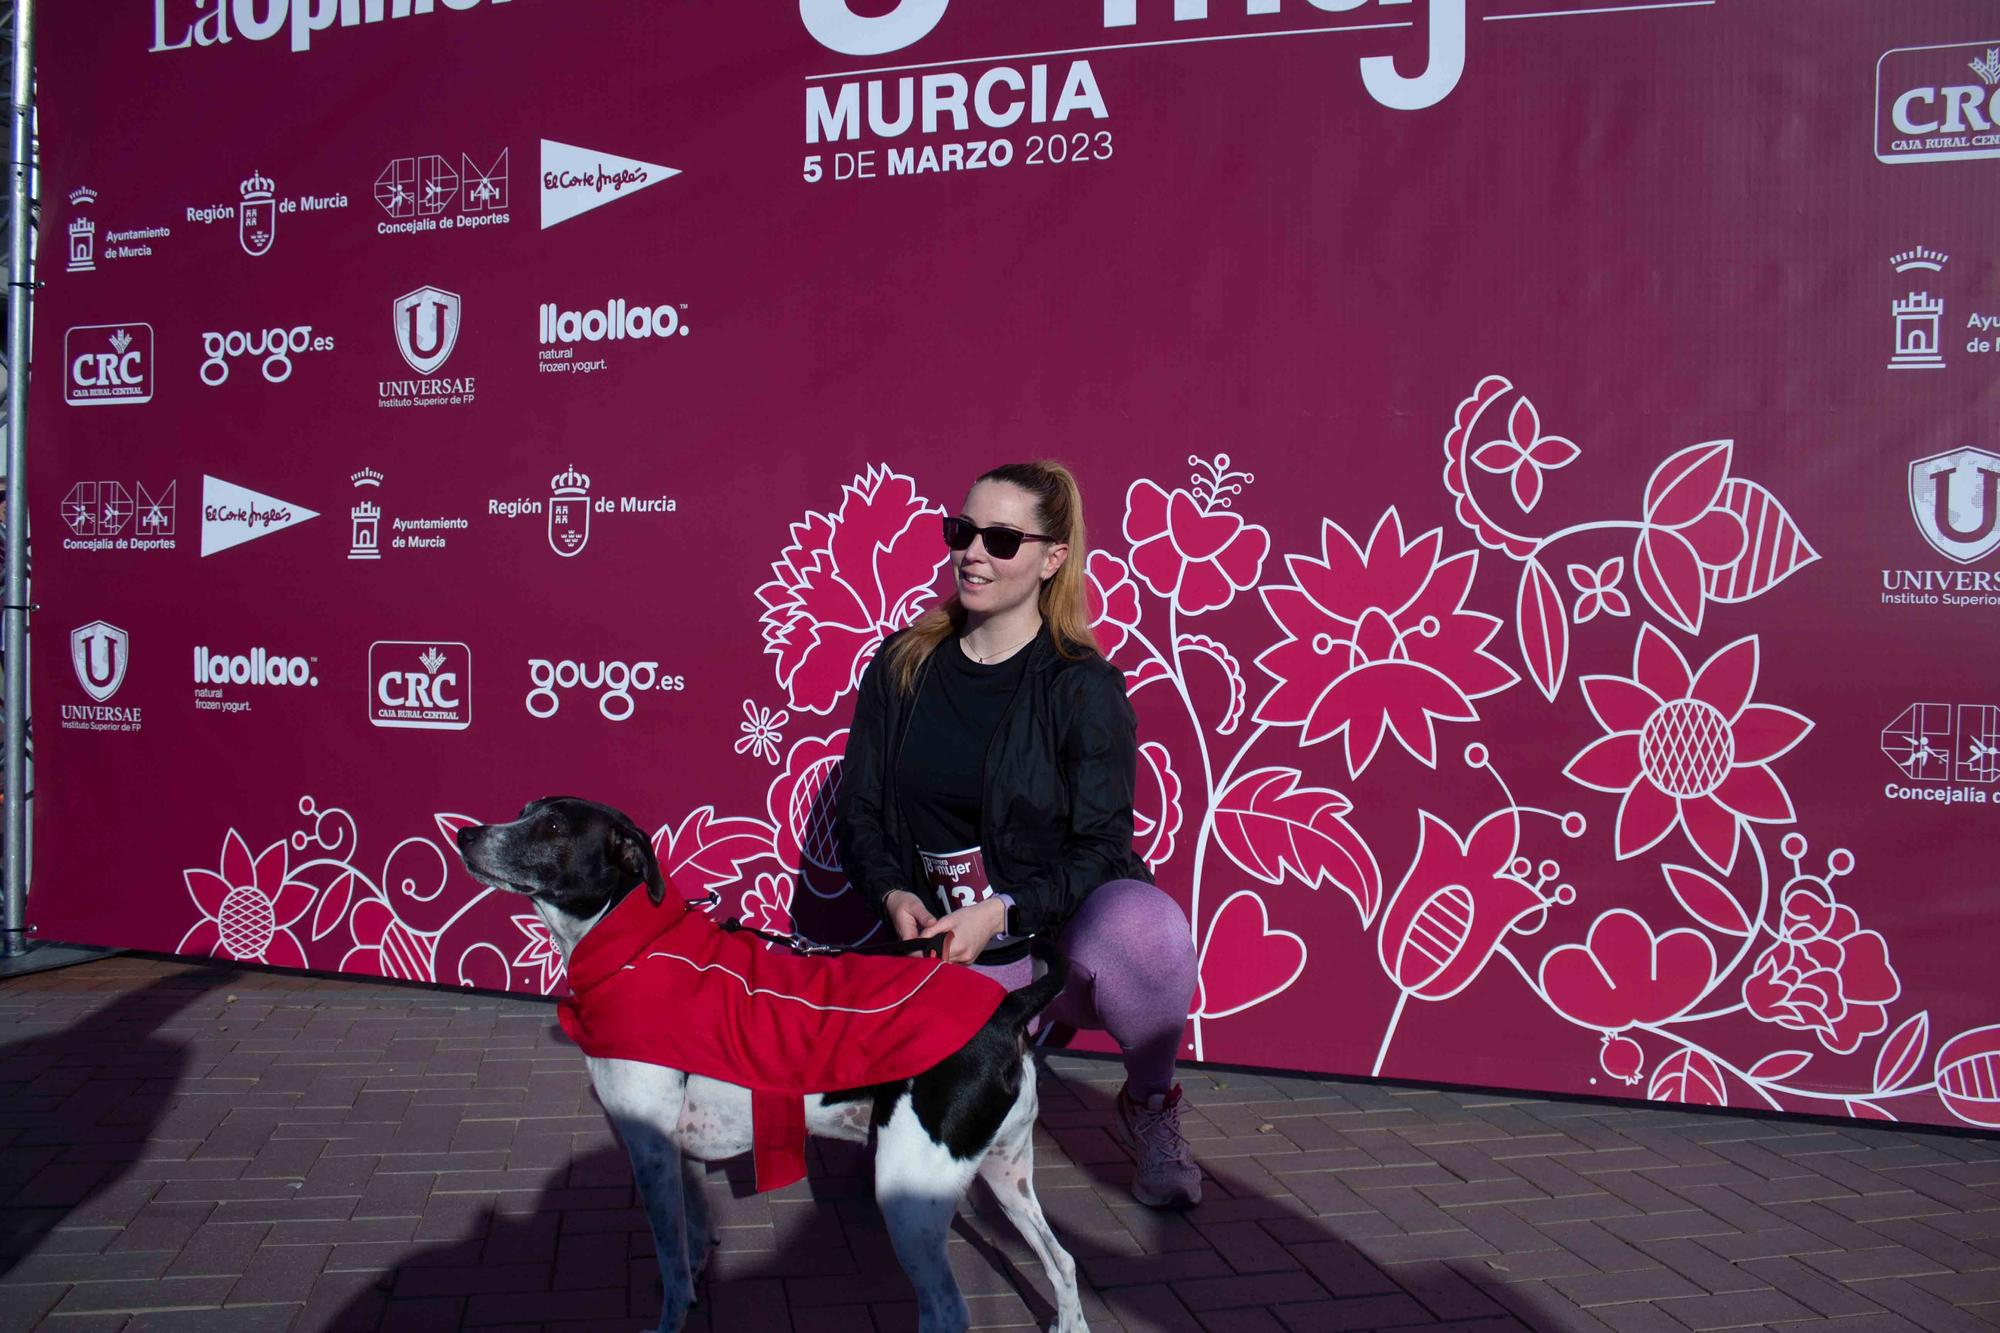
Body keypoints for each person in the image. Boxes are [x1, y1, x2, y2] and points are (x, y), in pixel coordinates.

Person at [835, 460, 1203, 1208]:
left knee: (1151, 932)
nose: (973, 552)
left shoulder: (1082, 686)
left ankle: (1151, 1102)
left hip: (1047, 934)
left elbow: (1101, 848)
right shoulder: (902, 665)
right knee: (903, 1181)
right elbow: (861, 812)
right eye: (962, 532)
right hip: (942, 943)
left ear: (1051, 557)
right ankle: (986, 1047)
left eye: (1001, 538)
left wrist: (1002, 911)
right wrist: (894, 890)